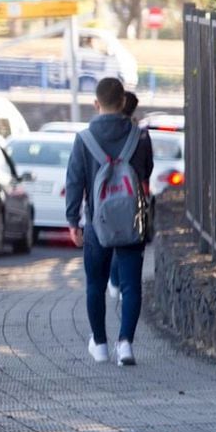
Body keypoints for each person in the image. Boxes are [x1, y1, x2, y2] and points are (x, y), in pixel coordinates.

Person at [65, 78, 153, 366]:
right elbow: (146, 171)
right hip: (131, 221)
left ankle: (100, 344)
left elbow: (75, 181)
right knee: (131, 286)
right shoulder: (140, 137)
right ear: (124, 102)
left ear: (96, 103)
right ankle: (125, 344)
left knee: (95, 284)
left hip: (96, 223)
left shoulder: (84, 139)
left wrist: (73, 221)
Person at [107, 90, 140, 301]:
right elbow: (147, 168)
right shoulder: (139, 135)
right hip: (132, 199)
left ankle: (113, 280)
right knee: (127, 244)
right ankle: (123, 287)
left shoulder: (100, 133)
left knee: (112, 243)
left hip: (105, 199)